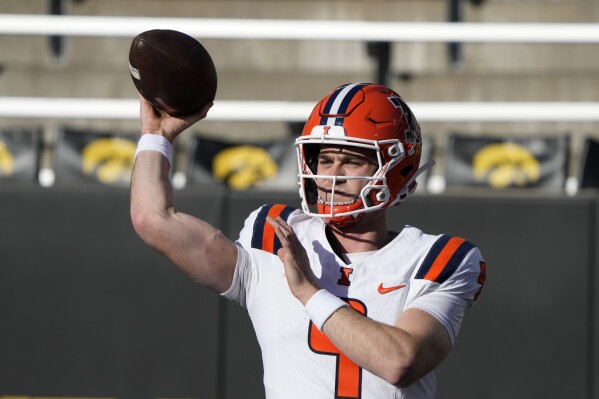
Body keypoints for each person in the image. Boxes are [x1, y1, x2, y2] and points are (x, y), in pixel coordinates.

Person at [130, 82, 487, 398]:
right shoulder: (276, 234)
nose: (332, 175)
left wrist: (309, 292)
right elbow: (154, 220)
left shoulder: (438, 259)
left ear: (399, 168)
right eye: (325, 159)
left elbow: (400, 362)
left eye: (352, 161)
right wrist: (155, 135)